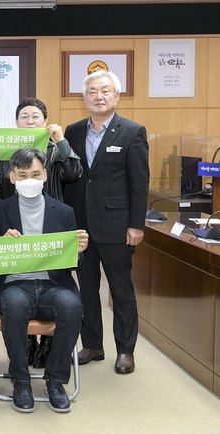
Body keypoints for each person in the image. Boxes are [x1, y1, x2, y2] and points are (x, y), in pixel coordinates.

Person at [0, 148, 88, 413]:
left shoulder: (64, 212)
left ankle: (56, 381)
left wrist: (79, 251)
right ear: (12, 178)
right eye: (22, 175)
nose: (29, 180)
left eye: (35, 174)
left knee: (71, 305)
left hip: (54, 284)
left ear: (45, 175)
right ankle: (21, 382)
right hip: (15, 284)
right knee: (15, 305)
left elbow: (75, 264)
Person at [63, 70, 149, 374]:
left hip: (116, 225)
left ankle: (125, 350)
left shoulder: (132, 132)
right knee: (86, 290)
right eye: (92, 91)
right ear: (84, 97)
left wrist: (136, 225)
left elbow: (139, 183)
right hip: (81, 225)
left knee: (121, 291)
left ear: (117, 96)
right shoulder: (73, 131)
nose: (98, 96)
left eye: (105, 91)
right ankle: (92, 345)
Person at [0, 97, 83, 367]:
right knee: (17, 304)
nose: (30, 121)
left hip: (50, 221)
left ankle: (52, 358)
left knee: (66, 302)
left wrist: (60, 140)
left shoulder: (53, 150)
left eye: (35, 117)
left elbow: (73, 172)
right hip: (14, 222)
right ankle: (26, 350)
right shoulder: (5, 152)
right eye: (24, 117)